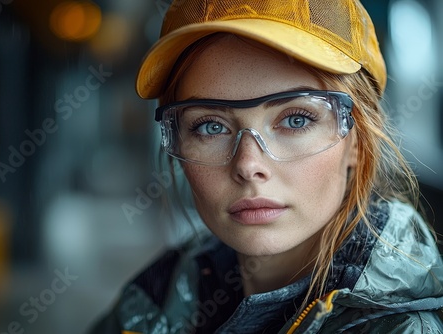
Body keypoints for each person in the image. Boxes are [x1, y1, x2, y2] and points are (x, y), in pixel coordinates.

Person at [91, 0, 443, 333]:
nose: (247, 165)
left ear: (356, 141)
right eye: (210, 126)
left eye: (295, 120)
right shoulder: (157, 299)